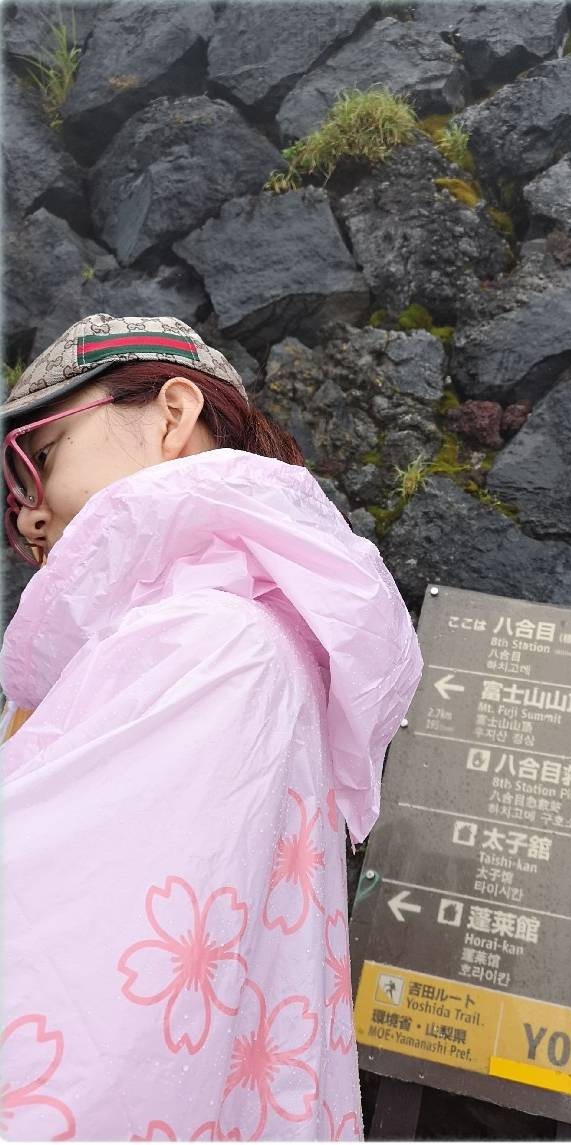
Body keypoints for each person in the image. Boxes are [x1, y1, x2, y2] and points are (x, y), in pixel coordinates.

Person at [0, 314, 423, 1141]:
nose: (25, 518)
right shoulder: (231, 631)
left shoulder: (209, 644)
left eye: (37, 458)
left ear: (171, 413)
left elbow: (63, 966)